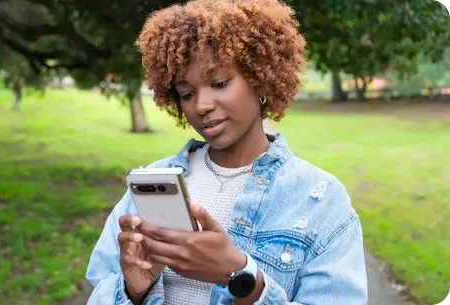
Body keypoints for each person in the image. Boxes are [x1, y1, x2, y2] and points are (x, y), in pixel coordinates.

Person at [85, 0, 368, 304]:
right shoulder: (150, 186)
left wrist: (239, 276)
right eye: (187, 94)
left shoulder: (319, 199)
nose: (201, 106)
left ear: (260, 78)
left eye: (219, 83)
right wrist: (133, 289)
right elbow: (99, 287)